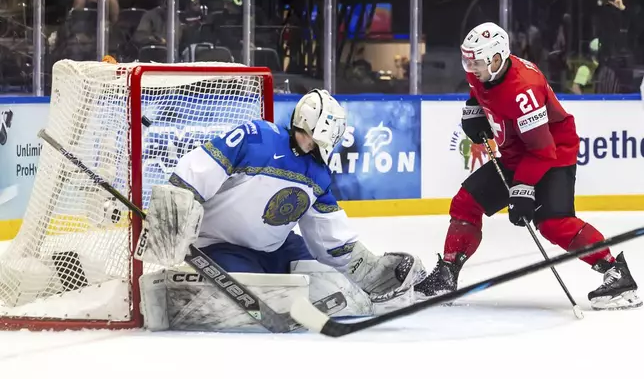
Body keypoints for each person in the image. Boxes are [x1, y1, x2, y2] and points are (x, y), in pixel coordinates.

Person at [136, 89, 430, 330]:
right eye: (310, 136)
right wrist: (170, 222)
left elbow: (332, 241)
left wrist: (372, 272)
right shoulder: (256, 137)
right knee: (251, 291)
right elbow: (195, 171)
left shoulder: (318, 175)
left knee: (328, 279)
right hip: (220, 245)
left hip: (277, 247)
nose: (312, 144)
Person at [416, 22, 641, 311]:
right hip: (515, 153)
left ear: (497, 58)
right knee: (465, 204)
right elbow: (480, 93)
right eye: (467, 61)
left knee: (552, 222)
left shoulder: (524, 91)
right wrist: (474, 111)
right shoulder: (483, 71)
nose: (471, 68)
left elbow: (541, 150)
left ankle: (615, 271)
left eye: (477, 62)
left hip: (553, 154)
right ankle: (447, 275)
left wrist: (523, 188)